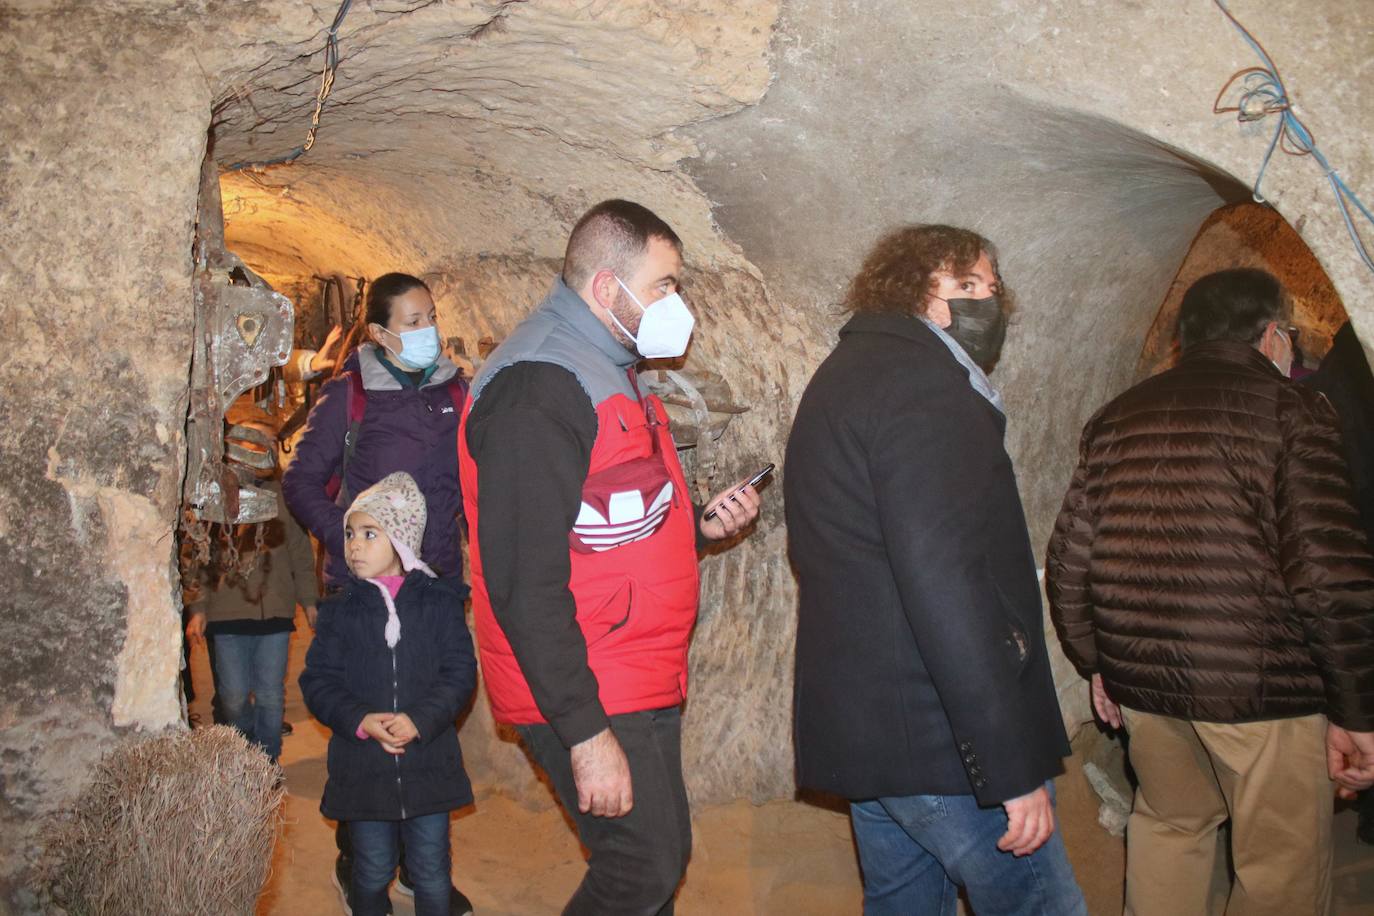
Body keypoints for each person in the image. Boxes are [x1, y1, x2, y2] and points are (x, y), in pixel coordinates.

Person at [457, 199, 762, 915]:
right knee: (644, 864)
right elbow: (523, 581)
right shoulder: (539, 389)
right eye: (663, 285)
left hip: (629, 661)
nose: (676, 303)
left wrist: (699, 531)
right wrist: (584, 731)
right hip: (585, 675)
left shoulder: (604, 363)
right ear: (604, 288)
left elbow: (603, 521)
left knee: (657, 857)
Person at [1045, 268, 1374, 916]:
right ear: (1273, 336)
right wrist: (1357, 706)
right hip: (1263, 694)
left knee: (1170, 828)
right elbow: (1327, 572)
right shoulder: (1294, 411)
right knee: (1281, 866)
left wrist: (1100, 664)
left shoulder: (1115, 418)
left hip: (1149, 689)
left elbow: (1067, 565)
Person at [784, 224, 1085, 916]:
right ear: (915, 288)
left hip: (873, 732)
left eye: (992, 288)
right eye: (966, 285)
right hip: (942, 742)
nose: (987, 302)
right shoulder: (927, 389)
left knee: (902, 903)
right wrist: (1007, 768)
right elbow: (945, 583)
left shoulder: (845, 376)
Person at [283, 273, 473, 914]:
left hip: (433, 588)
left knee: (426, 720)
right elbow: (302, 478)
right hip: (362, 595)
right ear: (380, 332)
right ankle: (360, 862)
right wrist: (347, 546)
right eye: (413, 320)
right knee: (365, 726)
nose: (427, 331)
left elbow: (471, 478)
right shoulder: (351, 396)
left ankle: (424, 869)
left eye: (431, 316)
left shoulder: (456, 392)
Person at [300, 472, 477, 916]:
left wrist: (422, 718)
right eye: (350, 534)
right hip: (364, 770)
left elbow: (459, 673)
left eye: (369, 533)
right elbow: (318, 681)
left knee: (432, 871)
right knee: (372, 870)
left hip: (428, 763)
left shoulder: (439, 604)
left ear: (399, 540)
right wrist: (359, 718)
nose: (354, 544)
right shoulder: (340, 612)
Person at [186, 417, 317, 764]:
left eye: (269, 443)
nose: (262, 450)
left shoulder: (282, 498)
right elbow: (201, 555)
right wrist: (198, 608)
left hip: (274, 612)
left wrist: (308, 600)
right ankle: (244, 755)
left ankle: (265, 765)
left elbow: (300, 552)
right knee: (231, 696)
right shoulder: (215, 500)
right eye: (253, 442)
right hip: (227, 613)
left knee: (272, 695)